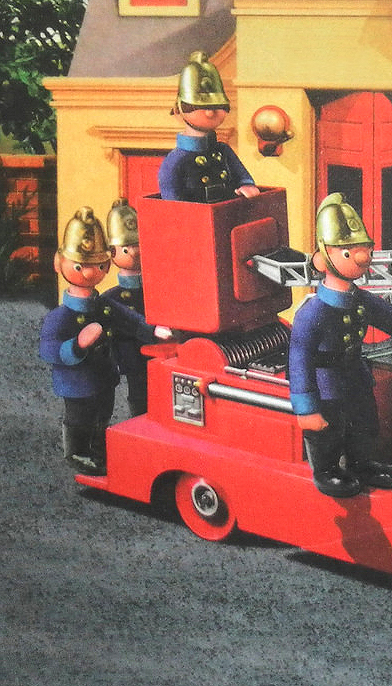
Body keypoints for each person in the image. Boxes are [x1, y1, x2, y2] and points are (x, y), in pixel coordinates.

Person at [288, 193, 392, 498]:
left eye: (364, 249)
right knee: (329, 429)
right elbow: (299, 360)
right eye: (349, 252)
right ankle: (326, 471)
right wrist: (306, 408)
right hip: (327, 385)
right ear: (322, 259)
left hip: (356, 375)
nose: (362, 258)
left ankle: (362, 464)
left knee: (365, 422)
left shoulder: (360, 299)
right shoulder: (312, 313)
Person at [40, 207, 171, 475]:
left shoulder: (104, 306)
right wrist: (77, 345)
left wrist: (153, 330)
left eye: (99, 266)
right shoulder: (60, 316)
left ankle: (99, 451)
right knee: (80, 417)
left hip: (104, 375)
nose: (90, 273)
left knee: (103, 414)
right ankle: (77, 452)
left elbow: (128, 320)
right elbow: (48, 348)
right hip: (77, 381)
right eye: (81, 266)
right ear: (59, 263)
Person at [158, 51, 259, 203]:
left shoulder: (223, 150)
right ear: (178, 110)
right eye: (197, 107)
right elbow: (173, 203)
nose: (210, 113)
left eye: (217, 106)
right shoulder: (176, 161)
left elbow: (241, 175)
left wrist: (246, 184)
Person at [102, 198, 166, 416]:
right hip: (131, 354)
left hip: (160, 349)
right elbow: (123, 321)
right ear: (112, 252)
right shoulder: (111, 298)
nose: (135, 252)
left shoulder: (156, 287)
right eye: (126, 248)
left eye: (138, 245)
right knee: (139, 392)